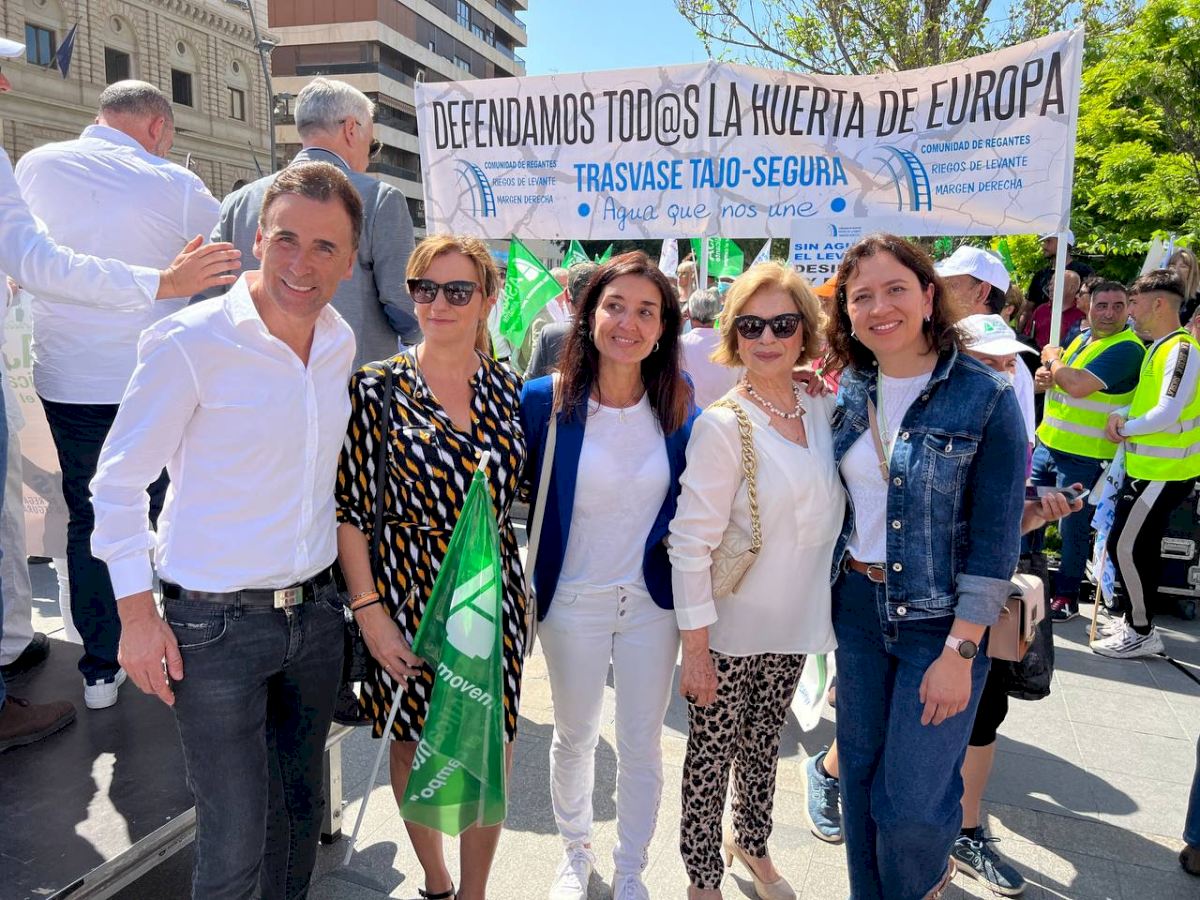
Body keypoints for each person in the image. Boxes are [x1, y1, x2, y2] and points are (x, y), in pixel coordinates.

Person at [90, 162, 360, 898]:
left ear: (350, 260)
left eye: (325, 247)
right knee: (235, 841)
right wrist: (135, 617)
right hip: (214, 632)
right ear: (258, 240)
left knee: (297, 825)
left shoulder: (339, 342)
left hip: (314, 618)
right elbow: (117, 485)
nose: (301, 263)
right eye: (287, 239)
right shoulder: (189, 341)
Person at [0, 39, 237, 750]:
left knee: (88, 518)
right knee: (161, 516)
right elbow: (231, 254)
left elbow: (30, 263)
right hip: (152, 381)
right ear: (158, 127)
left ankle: (100, 669)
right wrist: (165, 281)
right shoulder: (177, 183)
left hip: (66, 381)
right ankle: (173, 654)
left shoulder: (35, 163)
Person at [826, 234, 1026, 900]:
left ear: (929, 297)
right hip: (857, 611)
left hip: (940, 624)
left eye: (895, 290)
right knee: (859, 778)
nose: (879, 307)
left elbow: (996, 540)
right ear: (848, 312)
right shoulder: (847, 390)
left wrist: (961, 651)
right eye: (862, 296)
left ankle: (922, 883)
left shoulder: (985, 396)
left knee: (911, 804)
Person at [336, 234, 526, 900]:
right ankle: (437, 879)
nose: (439, 303)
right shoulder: (377, 387)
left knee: (487, 745)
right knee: (412, 740)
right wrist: (370, 615)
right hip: (405, 592)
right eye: (425, 288)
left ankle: (475, 891)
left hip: (491, 593)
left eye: (458, 290)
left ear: (486, 299)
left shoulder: (509, 390)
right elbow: (350, 512)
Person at [520, 251, 697, 900]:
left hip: (652, 602)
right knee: (575, 737)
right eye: (615, 306)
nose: (628, 323)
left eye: (646, 311)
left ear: (663, 326)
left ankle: (630, 869)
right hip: (572, 599)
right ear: (588, 313)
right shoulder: (545, 401)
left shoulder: (677, 399)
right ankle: (575, 853)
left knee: (642, 743)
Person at [669, 263, 843, 899]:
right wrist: (695, 650)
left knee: (764, 744)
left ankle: (751, 841)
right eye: (751, 325)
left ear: (805, 332)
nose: (767, 338)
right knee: (711, 756)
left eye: (783, 324)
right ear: (733, 334)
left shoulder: (823, 406)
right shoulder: (723, 424)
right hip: (728, 630)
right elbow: (689, 544)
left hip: (794, 621)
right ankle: (702, 877)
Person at [207, 77, 419, 365]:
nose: (368, 159)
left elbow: (210, 295)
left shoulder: (237, 203)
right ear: (351, 129)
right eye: (372, 147)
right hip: (350, 381)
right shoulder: (380, 199)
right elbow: (407, 308)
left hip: (250, 376)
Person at [1095, 269, 1200, 659]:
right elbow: (1150, 403)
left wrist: (1125, 428)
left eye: (1134, 303)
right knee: (1135, 546)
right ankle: (1135, 620)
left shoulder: (1181, 349)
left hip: (1164, 473)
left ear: (1158, 304)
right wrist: (1123, 414)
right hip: (1148, 471)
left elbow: (1168, 412)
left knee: (1124, 545)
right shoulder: (1160, 346)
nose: (1130, 312)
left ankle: (1140, 630)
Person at [1032, 281, 1145, 621]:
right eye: (1102, 305)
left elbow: (1077, 385)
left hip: (1085, 455)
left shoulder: (1128, 349)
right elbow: (1061, 379)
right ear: (1089, 306)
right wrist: (1046, 376)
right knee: (1030, 517)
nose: (1109, 313)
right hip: (1049, 445)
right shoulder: (1082, 339)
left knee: (1073, 528)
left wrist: (1052, 360)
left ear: (1129, 308)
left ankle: (1066, 596)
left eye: (1118, 305)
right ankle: (1030, 585)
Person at [937, 247, 1037, 454]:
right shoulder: (948, 349)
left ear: (981, 292)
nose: (940, 294)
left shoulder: (1007, 363)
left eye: (951, 286)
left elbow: (1020, 451)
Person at [525, 262, 597, 380]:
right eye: (559, 285)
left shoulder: (550, 334)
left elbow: (530, 381)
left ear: (566, 295)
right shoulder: (615, 334)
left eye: (564, 286)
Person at [679, 287, 740, 408]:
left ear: (689, 314)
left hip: (690, 416)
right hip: (726, 414)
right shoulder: (734, 344)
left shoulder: (678, 346)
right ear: (718, 314)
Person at [1025, 230, 1094, 310]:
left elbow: (1090, 302)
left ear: (1064, 243)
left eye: (1049, 241)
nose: (1044, 246)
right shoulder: (1040, 275)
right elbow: (1028, 309)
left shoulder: (1083, 271)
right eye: (1044, 242)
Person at [1027, 269, 1084, 351]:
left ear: (1072, 288)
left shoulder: (1082, 313)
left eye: (1056, 284)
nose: (1050, 288)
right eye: (1050, 284)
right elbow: (1028, 336)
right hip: (1038, 357)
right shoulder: (1041, 310)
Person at [1169, 248, 1200, 326]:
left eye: (1183, 266)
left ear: (1192, 272)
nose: (1176, 269)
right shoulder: (1159, 292)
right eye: (1172, 265)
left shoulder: (1197, 301)